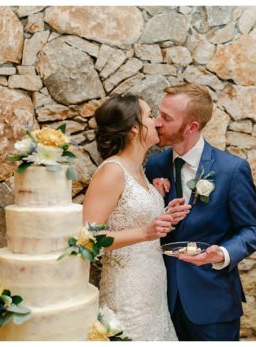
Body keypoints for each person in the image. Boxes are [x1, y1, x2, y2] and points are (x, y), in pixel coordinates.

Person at [146, 84, 256, 341]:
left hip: (213, 304)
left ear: (192, 127)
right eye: (158, 114)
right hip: (160, 302)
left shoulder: (232, 170)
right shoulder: (155, 165)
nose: (156, 123)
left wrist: (221, 253)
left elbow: (253, 230)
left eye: (166, 118)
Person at [82, 94, 189, 341]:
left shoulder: (140, 172)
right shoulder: (112, 172)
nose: (157, 122)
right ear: (133, 128)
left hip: (153, 291)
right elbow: (88, 239)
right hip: (127, 292)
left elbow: (135, 221)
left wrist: (166, 215)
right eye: (150, 116)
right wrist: (144, 233)